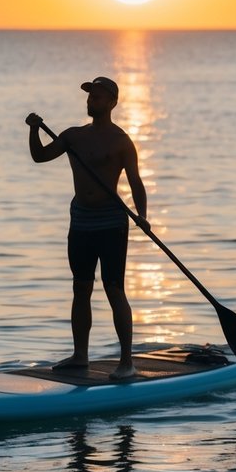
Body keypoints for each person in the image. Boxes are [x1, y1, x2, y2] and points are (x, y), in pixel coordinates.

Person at [26, 76, 150, 380]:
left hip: (111, 221)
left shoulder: (122, 141)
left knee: (114, 289)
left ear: (111, 103)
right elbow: (40, 156)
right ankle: (80, 356)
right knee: (80, 287)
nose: (90, 100)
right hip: (80, 219)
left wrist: (143, 217)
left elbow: (135, 182)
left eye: (96, 96)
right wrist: (32, 130)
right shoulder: (73, 136)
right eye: (89, 95)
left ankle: (126, 362)